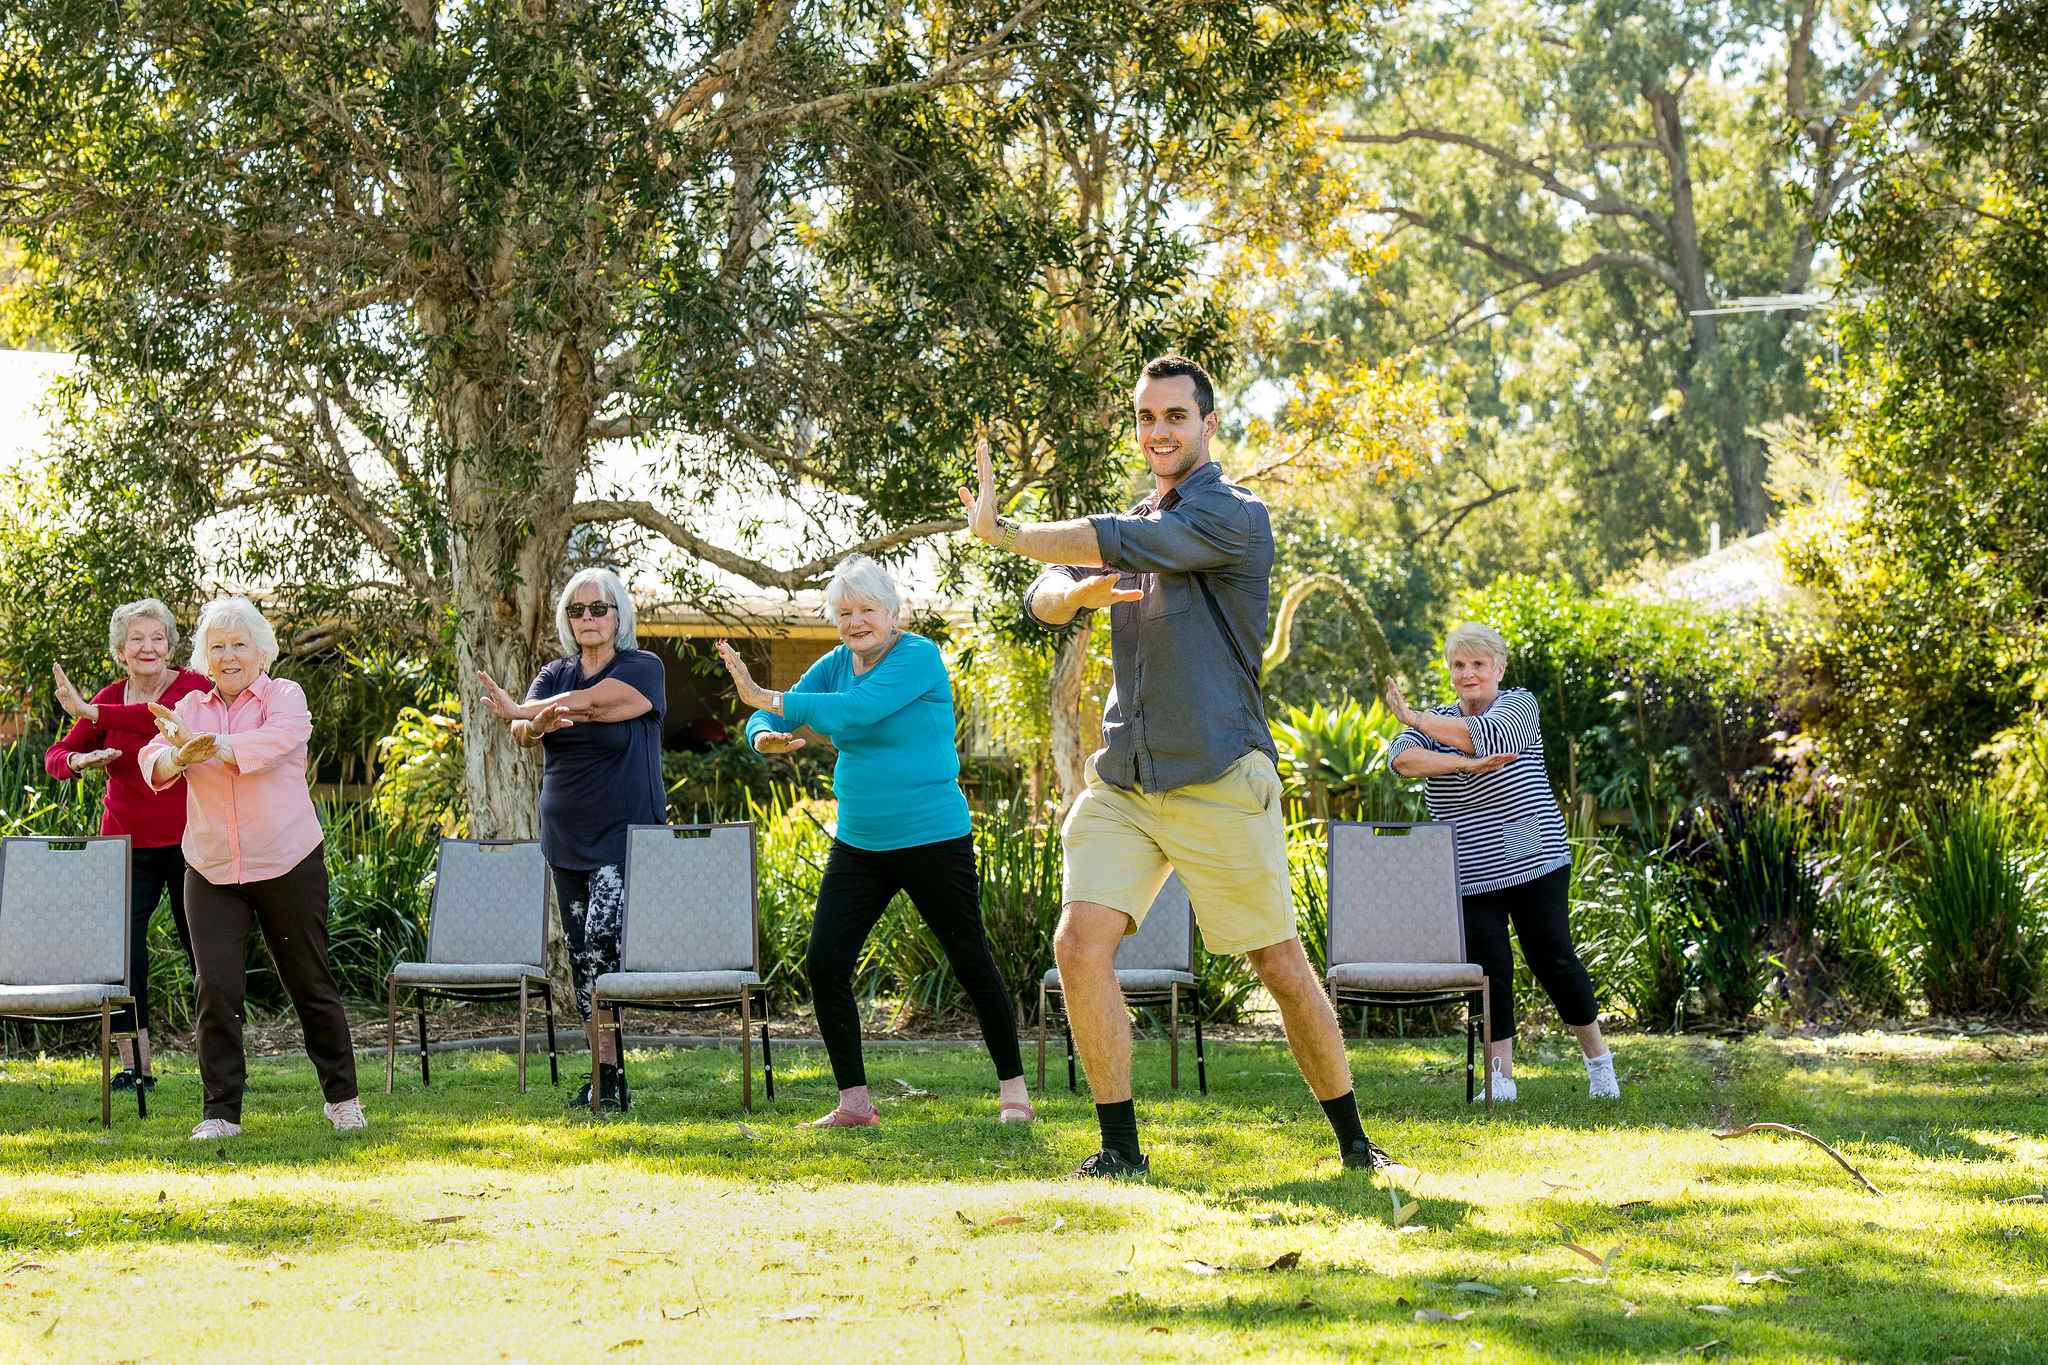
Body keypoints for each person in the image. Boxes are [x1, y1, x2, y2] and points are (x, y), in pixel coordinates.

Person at [959, 355, 1410, 1181]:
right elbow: (1048, 594)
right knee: (1078, 944)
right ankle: (1121, 1149)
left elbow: (1122, 543)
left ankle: (1354, 1142)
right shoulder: (1141, 515)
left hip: (1217, 773)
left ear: (1208, 425)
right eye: (1146, 417)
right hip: (1128, 780)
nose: (1158, 431)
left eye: (1174, 416)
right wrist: (1073, 596)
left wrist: (1008, 534)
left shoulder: (1233, 515)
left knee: (1277, 961)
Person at [715, 556, 1033, 1129]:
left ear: (892, 613)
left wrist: (771, 700)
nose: (856, 622)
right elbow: (766, 717)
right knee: (826, 961)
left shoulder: (918, 657)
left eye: (866, 610)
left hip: (933, 837)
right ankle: (855, 1103)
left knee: (970, 960)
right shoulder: (838, 663)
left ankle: (1014, 1092)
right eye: (845, 613)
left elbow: (857, 709)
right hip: (861, 843)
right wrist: (765, 734)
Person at [139, 596, 365, 1140]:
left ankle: (343, 1099)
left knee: (309, 983)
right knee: (216, 987)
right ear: (204, 657)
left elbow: (270, 745)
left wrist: (207, 746)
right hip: (212, 867)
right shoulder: (189, 707)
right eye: (217, 647)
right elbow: (153, 760)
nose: (229, 655)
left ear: (261, 651)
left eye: (239, 645)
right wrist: (176, 756)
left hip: (286, 861)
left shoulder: (285, 696)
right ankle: (220, 1113)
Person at [1384, 623, 1618, 1102]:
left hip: (1535, 859)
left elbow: (1482, 736)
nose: (1468, 673)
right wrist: (1463, 766)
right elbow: (1403, 760)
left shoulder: (1519, 705)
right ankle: (1501, 1079)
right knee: (1490, 971)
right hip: (1472, 871)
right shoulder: (1440, 721)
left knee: (1551, 959)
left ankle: (1600, 1066)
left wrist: (1419, 721)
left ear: (1498, 669)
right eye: (1459, 665)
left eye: (1477, 664)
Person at [476, 567, 667, 1114]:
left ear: (618, 616)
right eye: (576, 611)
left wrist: (522, 709)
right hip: (566, 838)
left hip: (624, 836)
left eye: (598, 609)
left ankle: (609, 1077)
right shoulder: (553, 674)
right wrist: (532, 724)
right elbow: (520, 733)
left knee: (604, 951)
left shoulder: (642, 668)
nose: (587, 619)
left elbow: (601, 703)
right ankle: (606, 1076)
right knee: (582, 957)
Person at [43, 599, 210, 1091]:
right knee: (123, 959)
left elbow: (153, 719)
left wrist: (94, 712)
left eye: (157, 637)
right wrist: (81, 760)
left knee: (205, 952)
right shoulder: (110, 697)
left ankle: (220, 1065)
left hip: (189, 842)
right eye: (136, 639)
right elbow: (57, 754)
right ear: (120, 651)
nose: (148, 647)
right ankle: (135, 1066)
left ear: (171, 645)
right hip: (125, 847)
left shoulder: (192, 690)